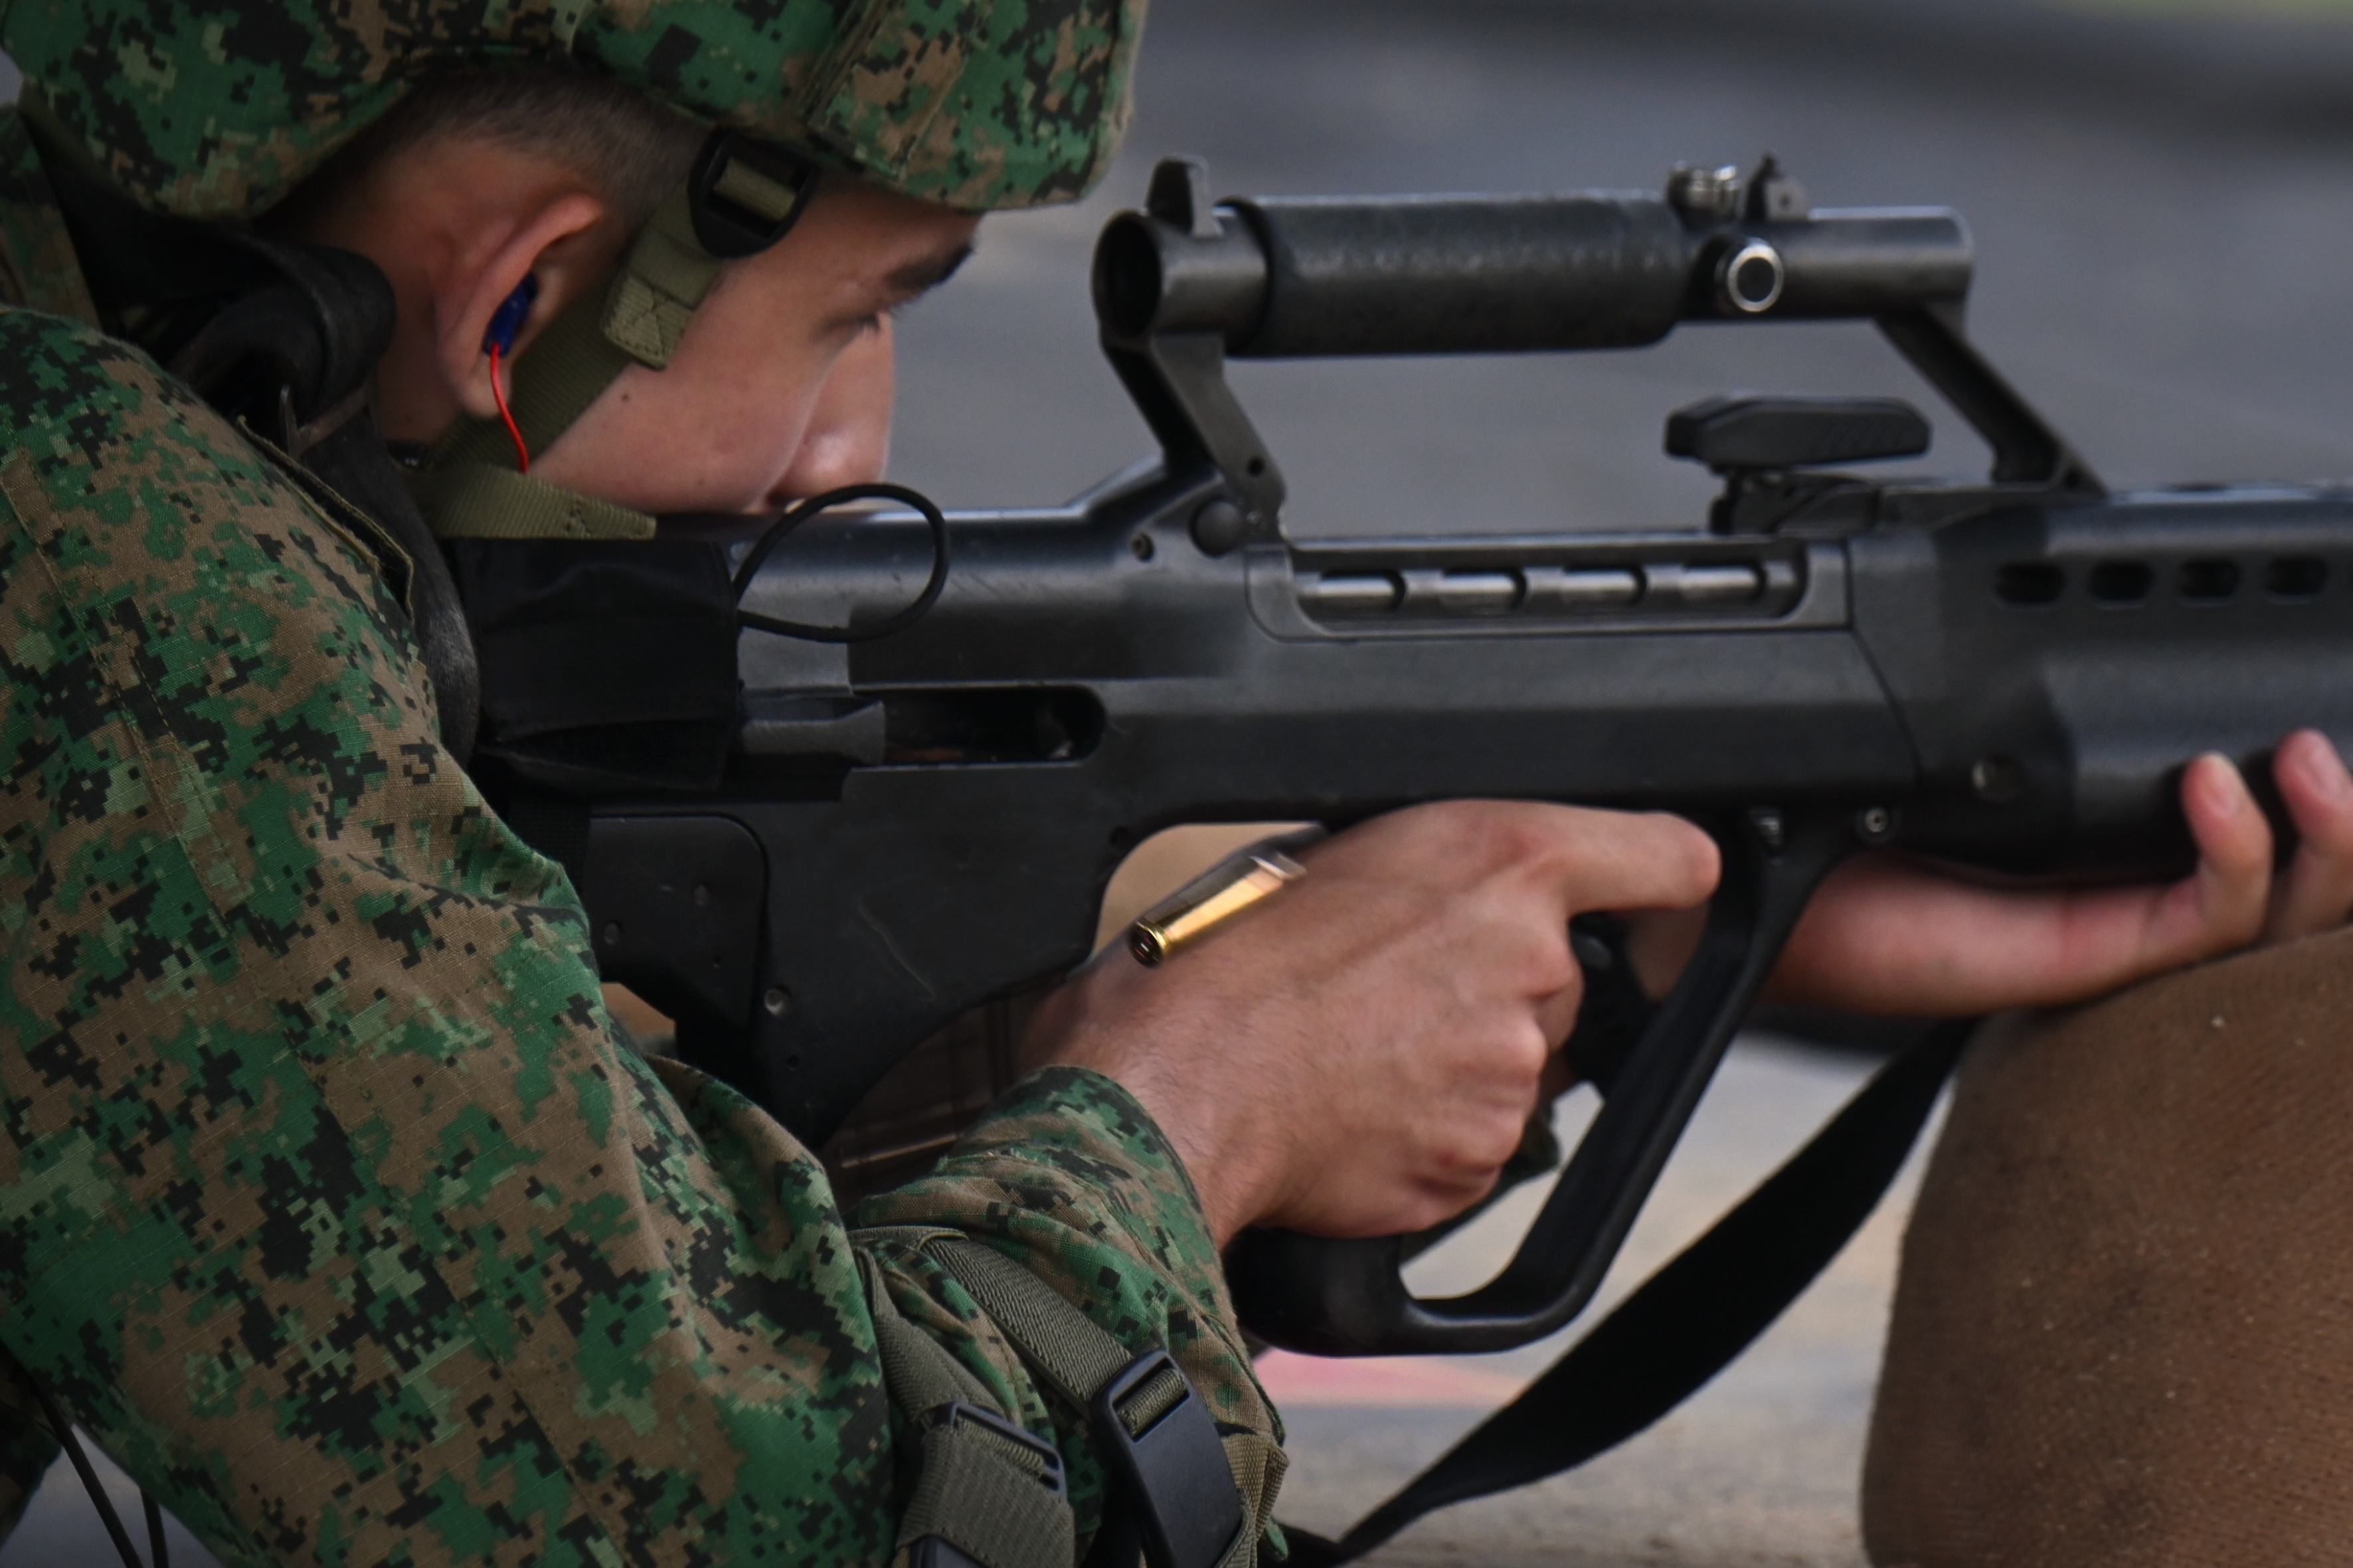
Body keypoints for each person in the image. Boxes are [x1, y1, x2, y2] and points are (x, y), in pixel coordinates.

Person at [1, 3, 2350, 1563]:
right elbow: (757, 1509)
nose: (859, 459)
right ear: (520, 303)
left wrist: (1711, 898)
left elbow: (419, 1106)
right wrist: (1200, 1103)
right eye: (855, 317)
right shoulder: (91, 564)